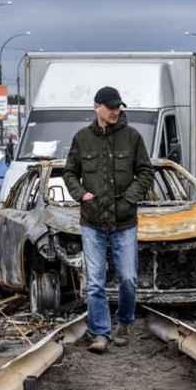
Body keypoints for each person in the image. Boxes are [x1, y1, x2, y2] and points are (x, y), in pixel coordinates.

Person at [64, 86, 154, 354]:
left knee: (128, 278)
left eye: (119, 107)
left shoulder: (132, 137)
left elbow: (146, 172)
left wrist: (130, 198)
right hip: (92, 221)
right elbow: (69, 172)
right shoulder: (82, 139)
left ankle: (124, 323)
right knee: (95, 282)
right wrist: (81, 194)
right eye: (111, 107)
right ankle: (100, 333)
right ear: (97, 107)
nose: (116, 111)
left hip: (125, 221)